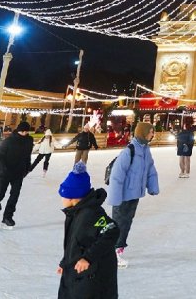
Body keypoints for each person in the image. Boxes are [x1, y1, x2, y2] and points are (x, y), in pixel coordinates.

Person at [57, 161, 119, 298]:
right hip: (78, 270)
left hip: (92, 276)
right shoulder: (75, 212)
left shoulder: (92, 213)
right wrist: (65, 262)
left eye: (63, 195)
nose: (61, 199)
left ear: (72, 197)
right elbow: (74, 242)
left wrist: (88, 258)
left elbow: (111, 230)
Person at [108, 122, 159, 268]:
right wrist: (115, 198)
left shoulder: (145, 150)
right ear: (143, 132)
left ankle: (117, 251)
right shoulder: (129, 151)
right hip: (122, 196)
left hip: (134, 194)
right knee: (119, 224)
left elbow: (150, 170)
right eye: (151, 132)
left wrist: (153, 187)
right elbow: (116, 176)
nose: (152, 134)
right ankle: (113, 254)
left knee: (126, 224)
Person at [0, 121, 34, 230]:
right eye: (22, 131)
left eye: (26, 132)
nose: (24, 133)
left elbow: (27, 156)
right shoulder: (8, 142)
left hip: (18, 173)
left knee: (14, 196)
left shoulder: (29, 141)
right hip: (4, 173)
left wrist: (27, 168)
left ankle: (7, 217)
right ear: (19, 130)